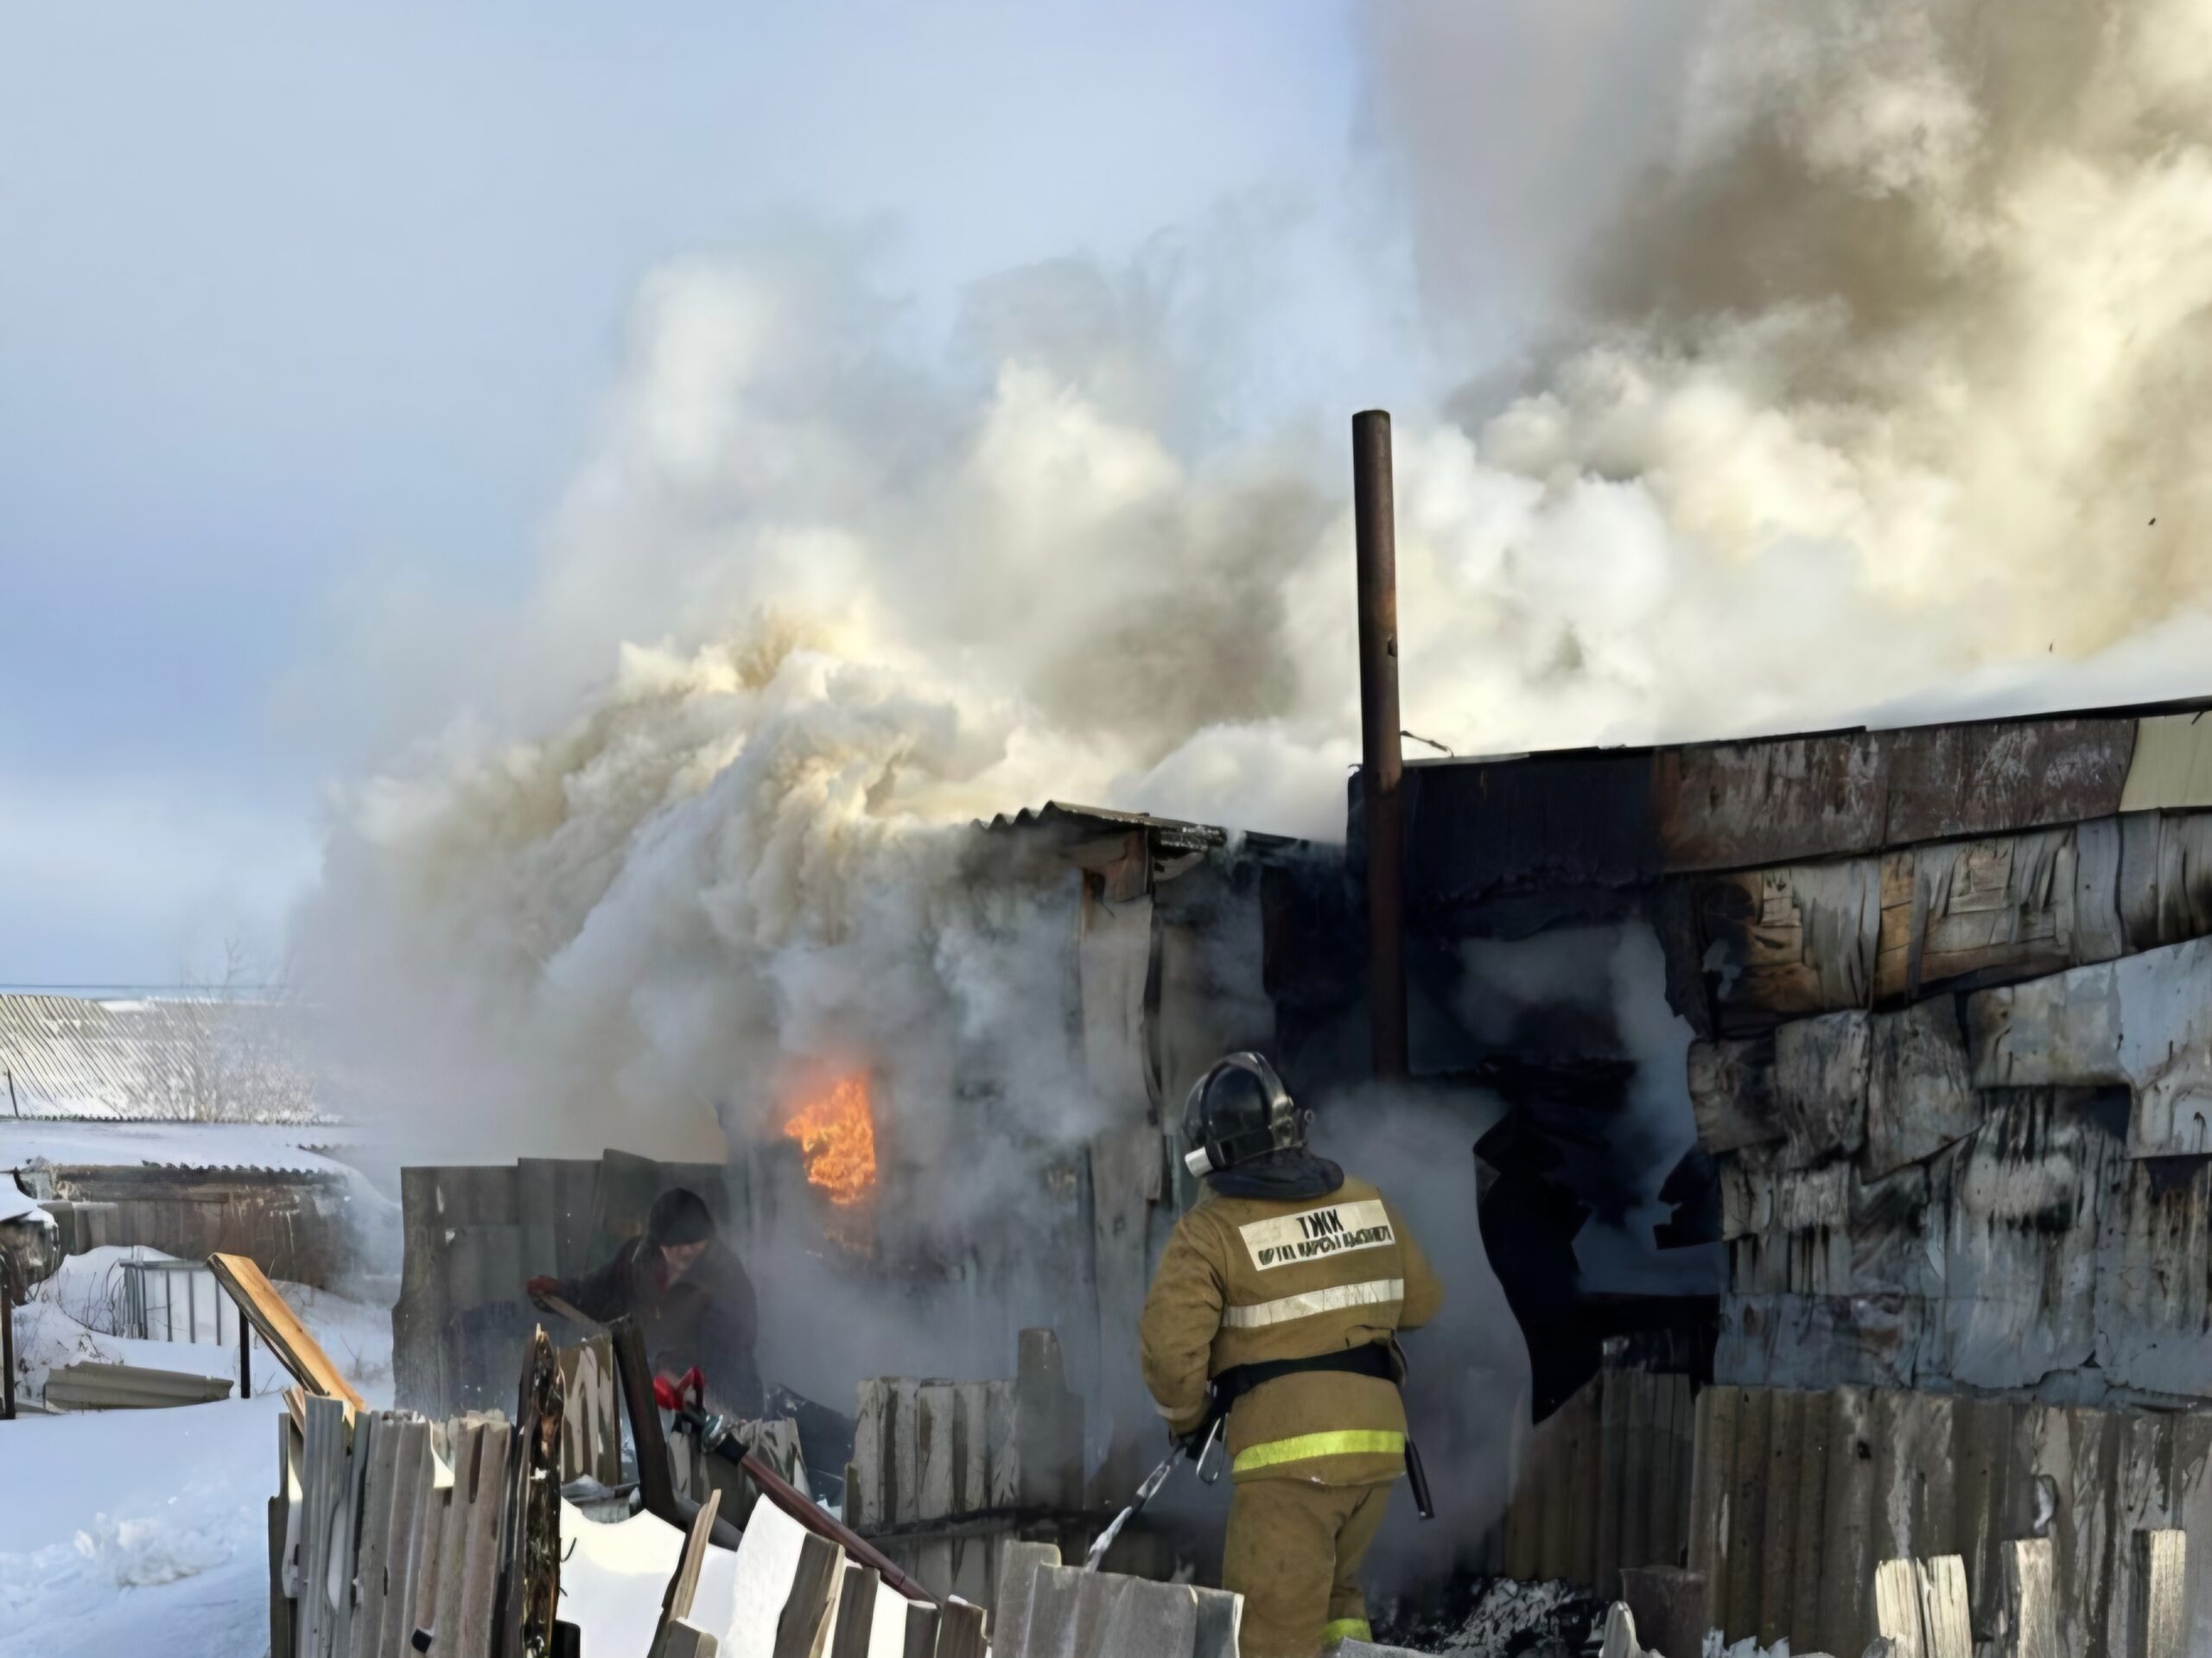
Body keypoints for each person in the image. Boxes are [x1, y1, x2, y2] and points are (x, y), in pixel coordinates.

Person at [1140, 1054, 1444, 1658]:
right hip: (1378, 1453)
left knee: (1270, 1638)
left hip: (1290, 1464)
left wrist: (1189, 1419)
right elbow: (1423, 1303)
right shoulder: (1367, 1201)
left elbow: (1171, 1358)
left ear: (1211, 1155)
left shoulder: (1208, 1231)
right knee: (1336, 1602)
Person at [528, 1186, 763, 1417]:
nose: (686, 1250)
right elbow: (601, 1292)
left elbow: (726, 1349)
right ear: (659, 1242)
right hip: (649, 1400)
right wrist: (562, 1292)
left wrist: (674, 1369)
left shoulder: (726, 1278)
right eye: (676, 1244)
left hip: (718, 1408)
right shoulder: (637, 1261)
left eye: (695, 1243)